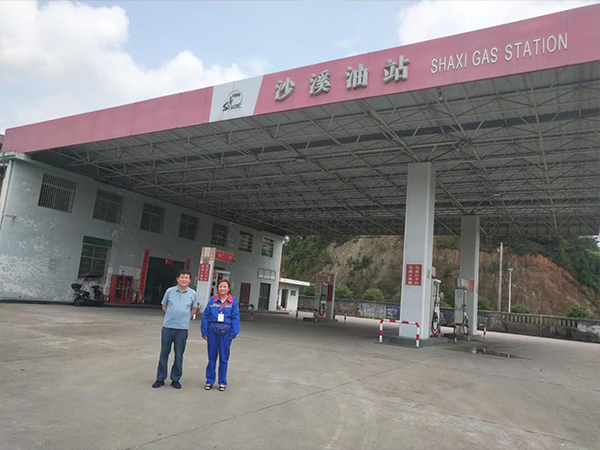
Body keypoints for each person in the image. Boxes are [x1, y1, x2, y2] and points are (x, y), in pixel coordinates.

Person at [152, 270, 197, 389]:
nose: (184, 280)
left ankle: (175, 379)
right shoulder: (169, 291)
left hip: (182, 329)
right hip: (168, 327)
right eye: (182, 277)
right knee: (164, 353)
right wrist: (171, 315)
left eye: (186, 278)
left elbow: (193, 309)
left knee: (179, 354)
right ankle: (160, 378)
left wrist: (186, 318)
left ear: (190, 280)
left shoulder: (192, 293)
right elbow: (164, 305)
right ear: (177, 279)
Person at [201, 279, 240, 391]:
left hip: (226, 334)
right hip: (212, 332)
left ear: (228, 289)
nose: (222, 289)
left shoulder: (232, 302)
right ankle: (209, 381)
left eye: (224, 287)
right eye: (220, 286)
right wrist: (204, 331)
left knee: (223, 358)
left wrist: (234, 332)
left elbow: (235, 318)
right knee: (211, 358)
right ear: (217, 288)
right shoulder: (213, 301)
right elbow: (205, 316)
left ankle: (222, 382)